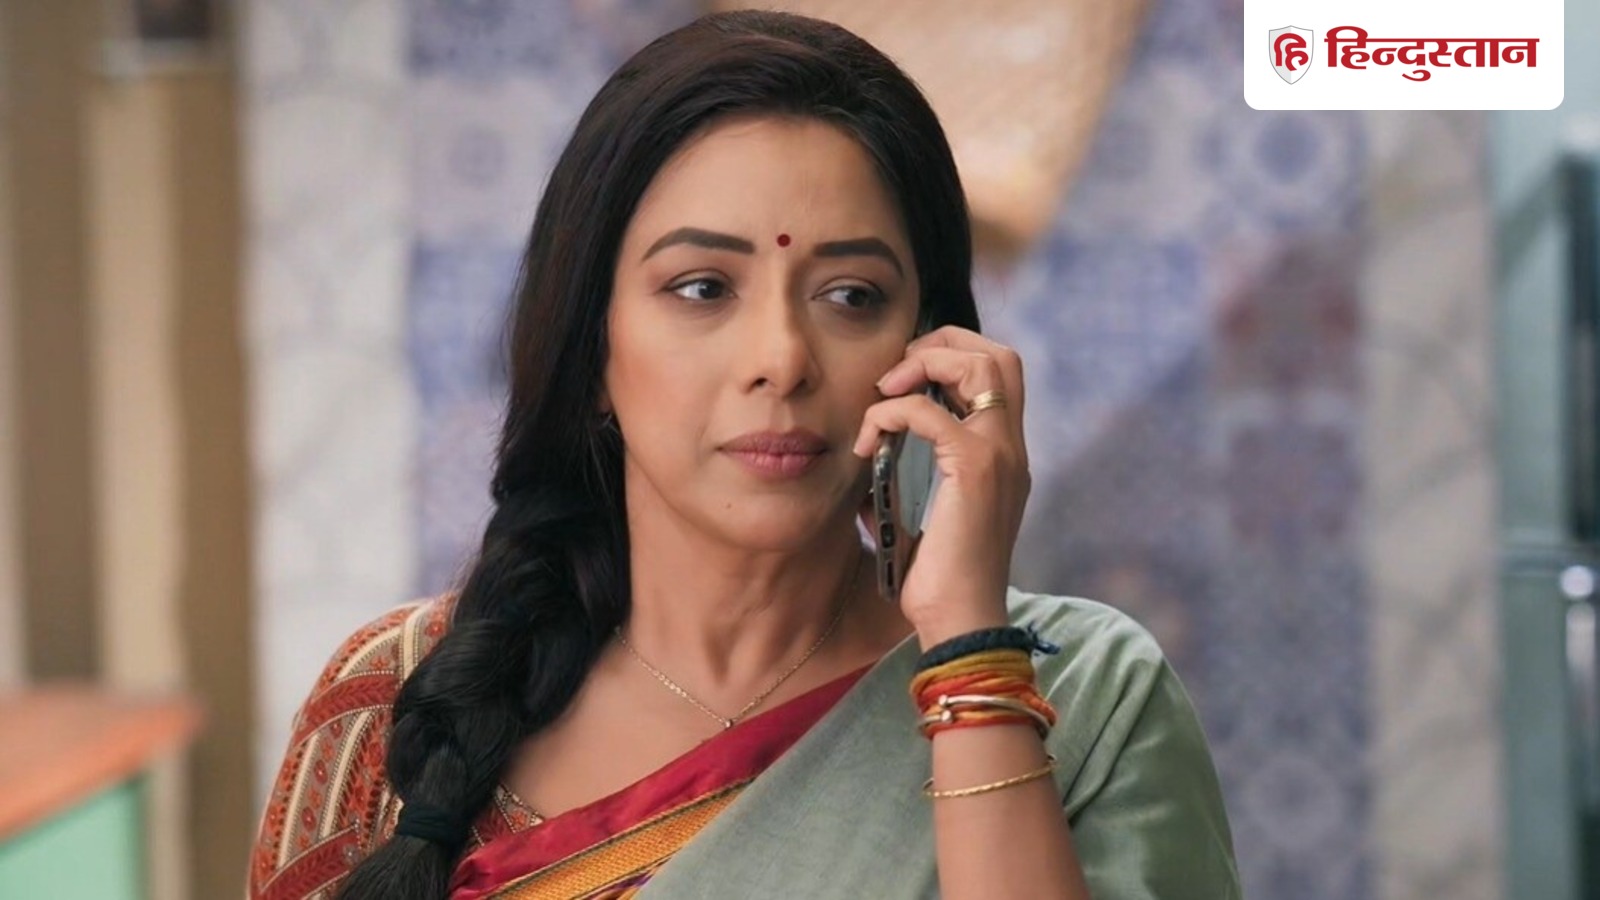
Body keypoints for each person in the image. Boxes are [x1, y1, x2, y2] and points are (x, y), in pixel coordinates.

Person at [247, 10, 1241, 900]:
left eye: (850, 296)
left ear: (932, 356)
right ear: (591, 350)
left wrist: (968, 657)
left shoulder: (1090, 696)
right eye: (702, 288)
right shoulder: (396, 700)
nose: (781, 359)